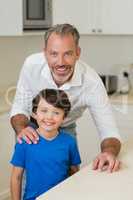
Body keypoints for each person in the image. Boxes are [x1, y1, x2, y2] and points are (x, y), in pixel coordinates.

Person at [10, 23, 121, 173]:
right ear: (45, 53)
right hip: (32, 126)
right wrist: (22, 129)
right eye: (54, 54)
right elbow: (19, 107)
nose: (60, 62)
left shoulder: (91, 82)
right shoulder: (32, 65)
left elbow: (109, 130)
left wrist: (109, 152)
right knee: (29, 177)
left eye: (67, 53)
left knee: (67, 177)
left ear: (78, 53)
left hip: (66, 128)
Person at [10, 89, 81, 200]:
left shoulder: (69, 142)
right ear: (34, 113)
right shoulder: (25, 142)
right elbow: (16, 177)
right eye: (44, 111)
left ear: (64, 117)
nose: (49, 117)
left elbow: (75, 172)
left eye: (56, 112)